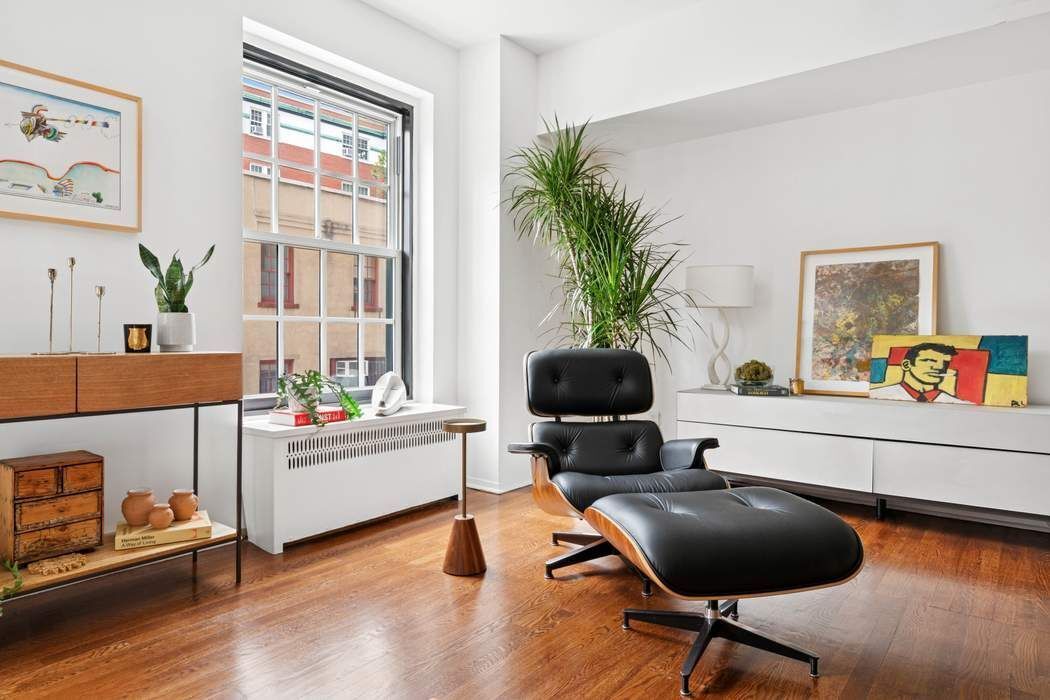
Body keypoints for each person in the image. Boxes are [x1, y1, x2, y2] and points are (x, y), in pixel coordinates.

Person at [869, 342, 973, 404]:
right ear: (906, 365)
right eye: (929, 361)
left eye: (945, 363)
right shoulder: (880, 395)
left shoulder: (954, 403)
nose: (940, 367)